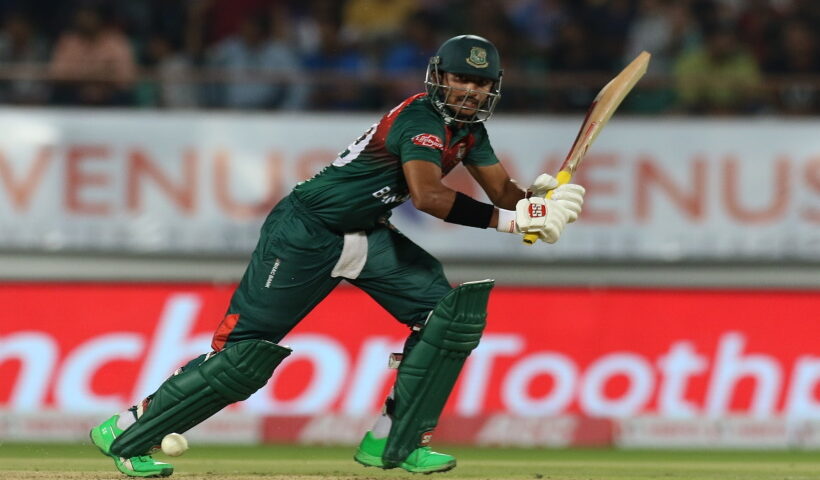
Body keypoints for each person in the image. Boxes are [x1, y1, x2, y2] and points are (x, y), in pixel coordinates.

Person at [89, 34, 586, 477]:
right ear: (439, 78)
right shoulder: (420, 121)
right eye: (461, 79)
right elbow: (429, 198)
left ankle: (396, 443)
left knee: (446, 317)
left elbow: (502, 191)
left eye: (481, 83)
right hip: (305, 233)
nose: (470, 91)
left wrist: (534, 199)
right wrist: (515, 219)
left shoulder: (471, 132)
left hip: (367, 233)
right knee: (243, 356)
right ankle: (128, 428)